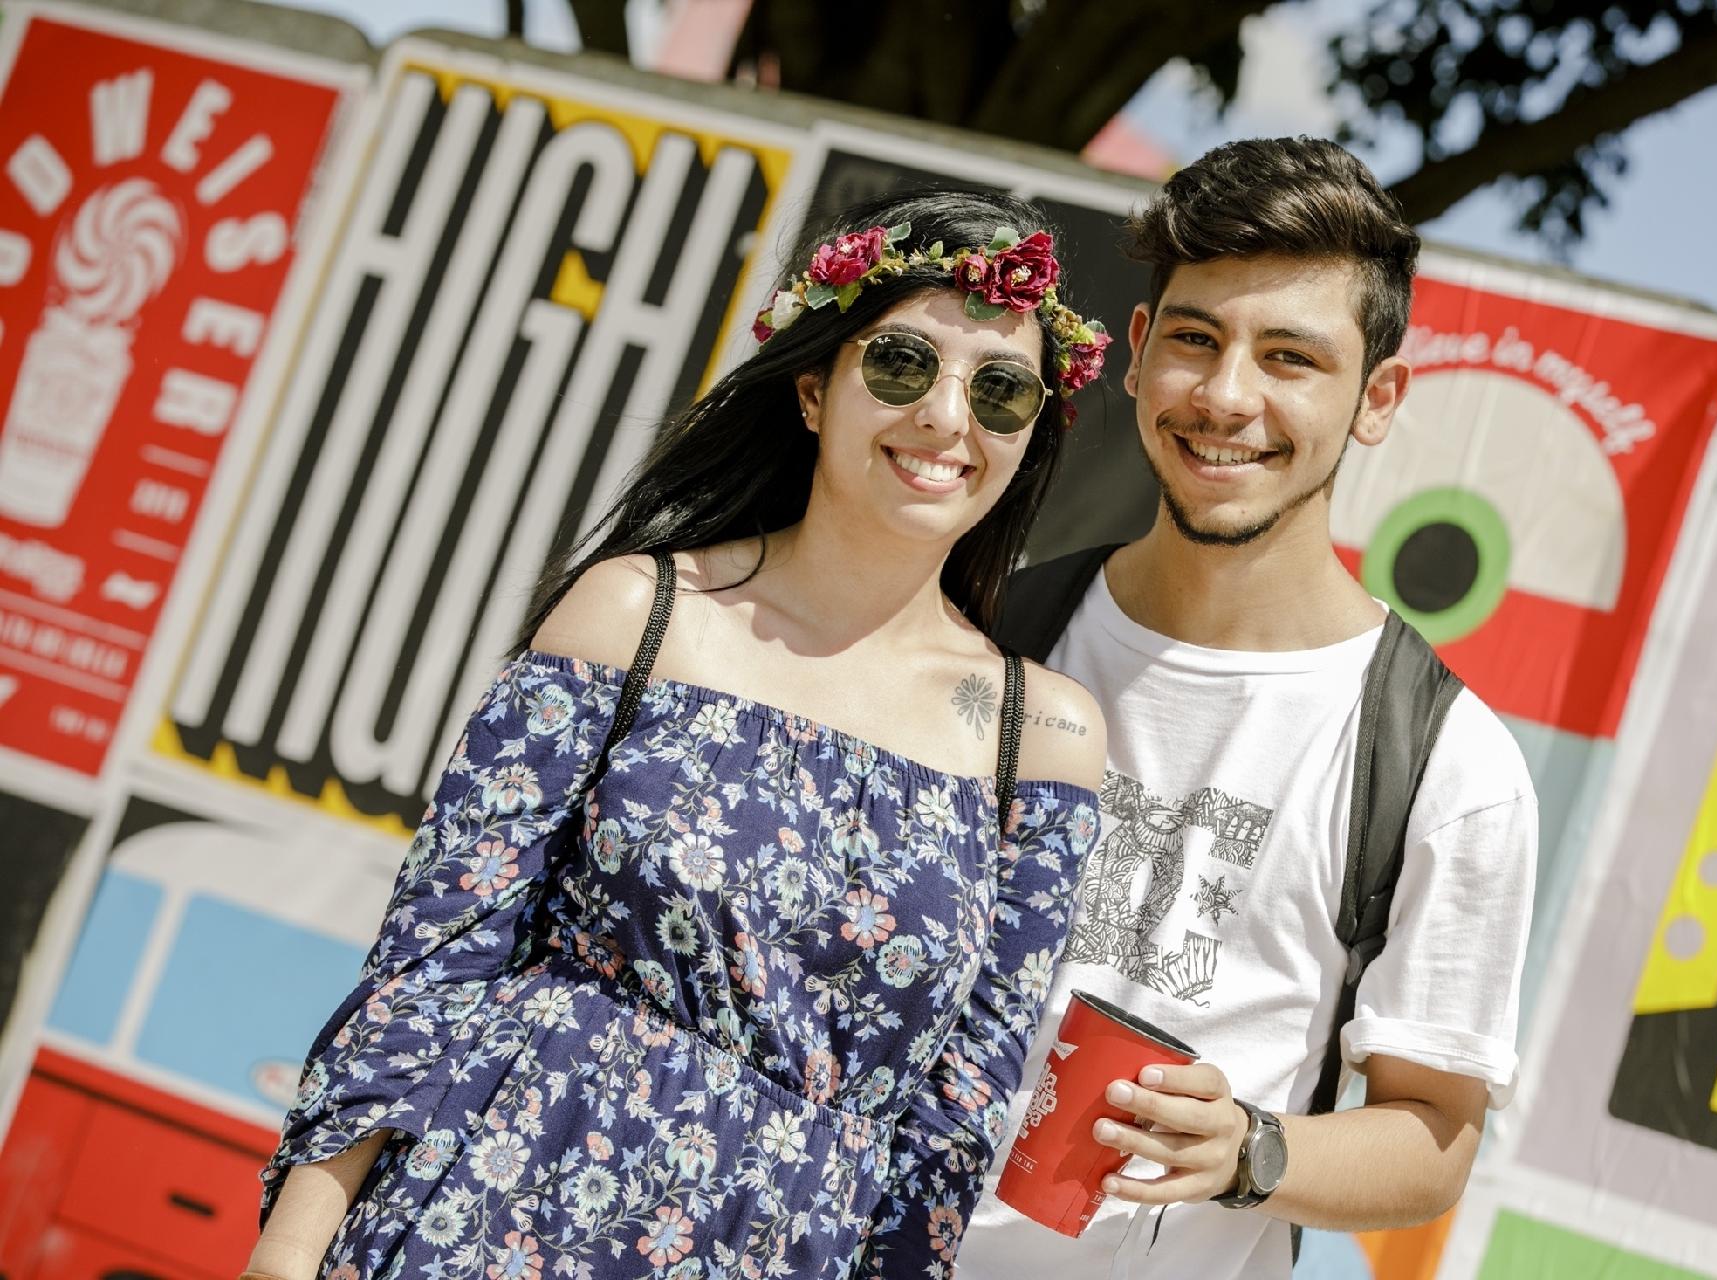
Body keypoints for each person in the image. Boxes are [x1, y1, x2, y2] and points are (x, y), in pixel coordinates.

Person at [240, 189, 1110, 1280]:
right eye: (899, 363)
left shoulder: (1044, 736)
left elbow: (952, 1130)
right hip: (485, 1207)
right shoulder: (635, 613)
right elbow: (433, 961)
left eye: (1000, 390)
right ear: (812, 389)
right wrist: (289, 1251)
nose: (946, 417)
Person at [955, 138, 1538, 1279]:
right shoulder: (981, 626)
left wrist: (1247, 1148)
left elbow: (1432, 1137)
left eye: (1289, 358)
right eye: (1194, 339)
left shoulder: (1447, 765)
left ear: (1377, 399)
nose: (1227, 397)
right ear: (1133, 354)